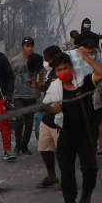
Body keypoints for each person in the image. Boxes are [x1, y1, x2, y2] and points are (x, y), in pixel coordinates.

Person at [46, 38, 102, 203]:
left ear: (71, 67)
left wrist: (84, 57)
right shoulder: (55, 88)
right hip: (66, 133)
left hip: (86, 134)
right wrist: (53, 109)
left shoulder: (84, 82)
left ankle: (87, 191)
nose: (63, 72)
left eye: (65, 68)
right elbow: (45, 105)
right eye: (59, 70)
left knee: (89, 168)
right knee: (66, 171)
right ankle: (70, 202)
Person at [36, 45, 66, 188]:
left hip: (59, 119)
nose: (45, 62)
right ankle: (51, 176)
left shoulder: (63, 73)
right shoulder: (50, 74)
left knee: (62, 152)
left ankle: (66, 178)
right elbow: (47, 90)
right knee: (44, 148)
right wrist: (38, 86)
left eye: (47, 59)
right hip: (47, 118)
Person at [8, 37, 41, 155]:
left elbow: (41, 73)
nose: (29, 48)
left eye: (31, 46)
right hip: (18, 96)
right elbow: (9, 77)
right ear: (22, 47)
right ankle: (17, 145)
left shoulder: (37, 59)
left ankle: (24, 146)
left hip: (31, 96)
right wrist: (9, 93)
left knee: (29, 123)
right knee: (19, 119)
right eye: (27, 46)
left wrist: (39, 89)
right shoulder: (15, 61)